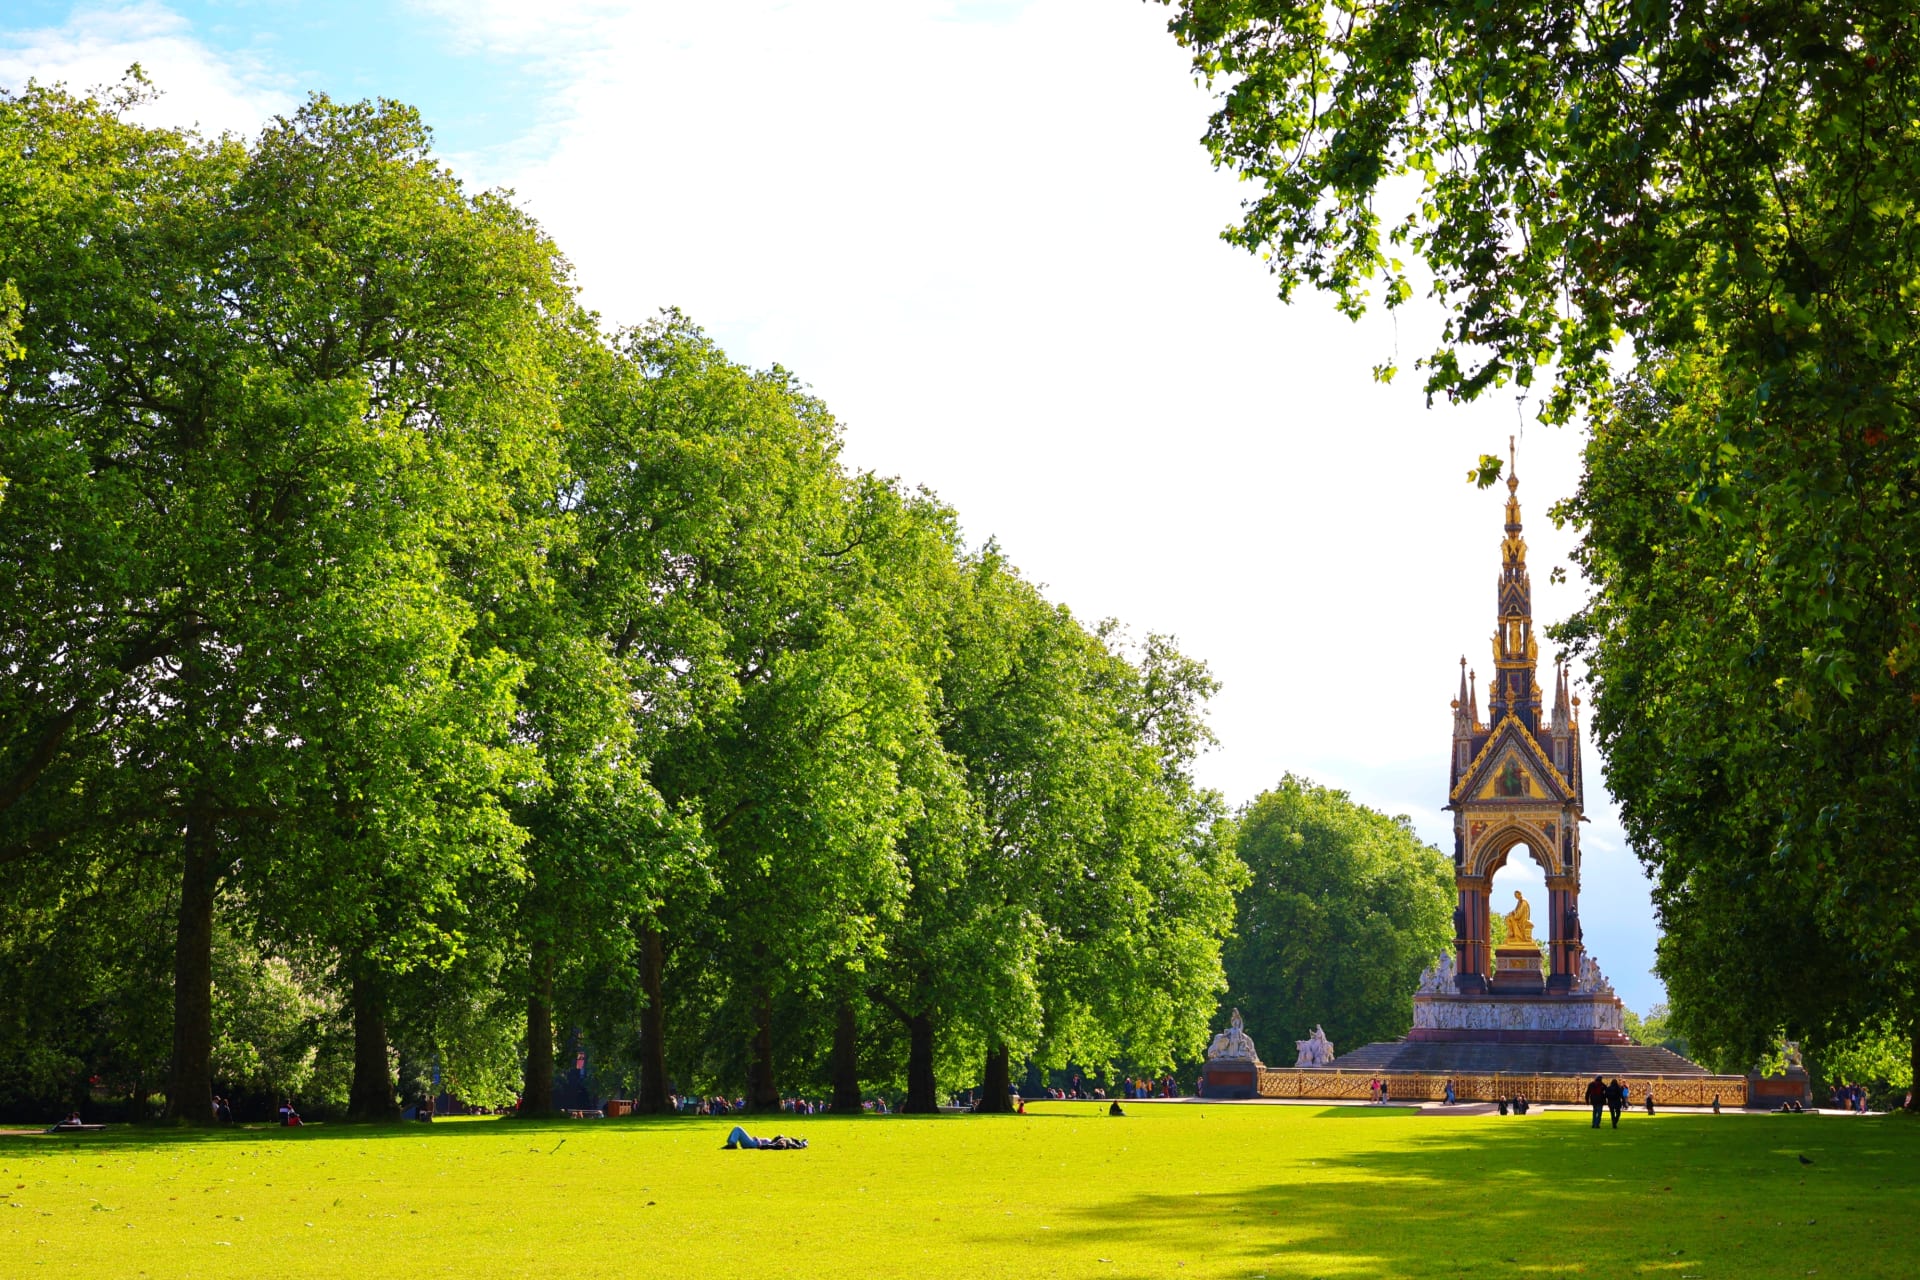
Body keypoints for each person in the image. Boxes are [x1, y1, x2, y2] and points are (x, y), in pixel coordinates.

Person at [722, 1126, 807, 1150]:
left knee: (738, 1128)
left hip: (754, 1144)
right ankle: (731, 1144)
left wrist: (758, 1140)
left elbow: (761, 1146)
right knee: (736, 1129)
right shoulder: (770, 1140)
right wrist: (757, 1137)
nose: (780, 1136)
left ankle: (732, 1144)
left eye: (780, 1137)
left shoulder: (773, 1143)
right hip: (753, 1142)